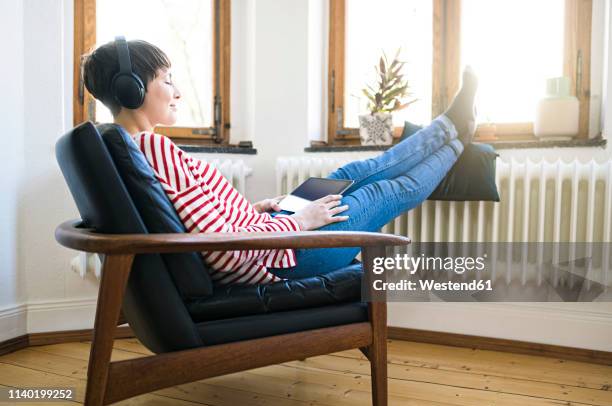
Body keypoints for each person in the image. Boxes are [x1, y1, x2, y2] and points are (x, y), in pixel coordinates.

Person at [82, 39, 477, 285]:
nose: (178, 91)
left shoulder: (137, 148)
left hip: (271, 234)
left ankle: (451, 128)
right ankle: (459, 139)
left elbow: (197, 224)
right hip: (284, 256)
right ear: (131, 89)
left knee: (349, 174)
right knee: (382, 191)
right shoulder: (152, 149)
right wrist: (300, 223)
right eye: (168, 79)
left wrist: (257, 210)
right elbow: (222, 251)